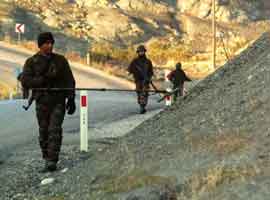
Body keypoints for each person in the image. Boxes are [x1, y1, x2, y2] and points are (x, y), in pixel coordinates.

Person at [19, 32, 76, 172]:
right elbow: (25, 80)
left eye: (51, 43)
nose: (50, 45)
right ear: (40, 45)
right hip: (42, 101)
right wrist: (41, 81)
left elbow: (69, 80)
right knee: (44, 131)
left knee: (54, 130)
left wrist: (71, 98)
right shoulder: (32, 62)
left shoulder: (61, 61)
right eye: (46, 43)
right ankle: (46, 157)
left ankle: (52, 160)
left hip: (58, 101)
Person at [128, 45, 154, 114]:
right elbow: (130, 69)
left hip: (146, 81)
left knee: (144, 93)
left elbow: (151, 71)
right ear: (138, 52)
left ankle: (142, 107)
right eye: (140, 51)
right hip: (138, 80)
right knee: (139, 92)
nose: (141, 53)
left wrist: (149, 77)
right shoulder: (135, 61)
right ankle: (141, 105)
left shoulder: (148, 61)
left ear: (144, 52)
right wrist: (131, 72)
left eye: (142, 51)